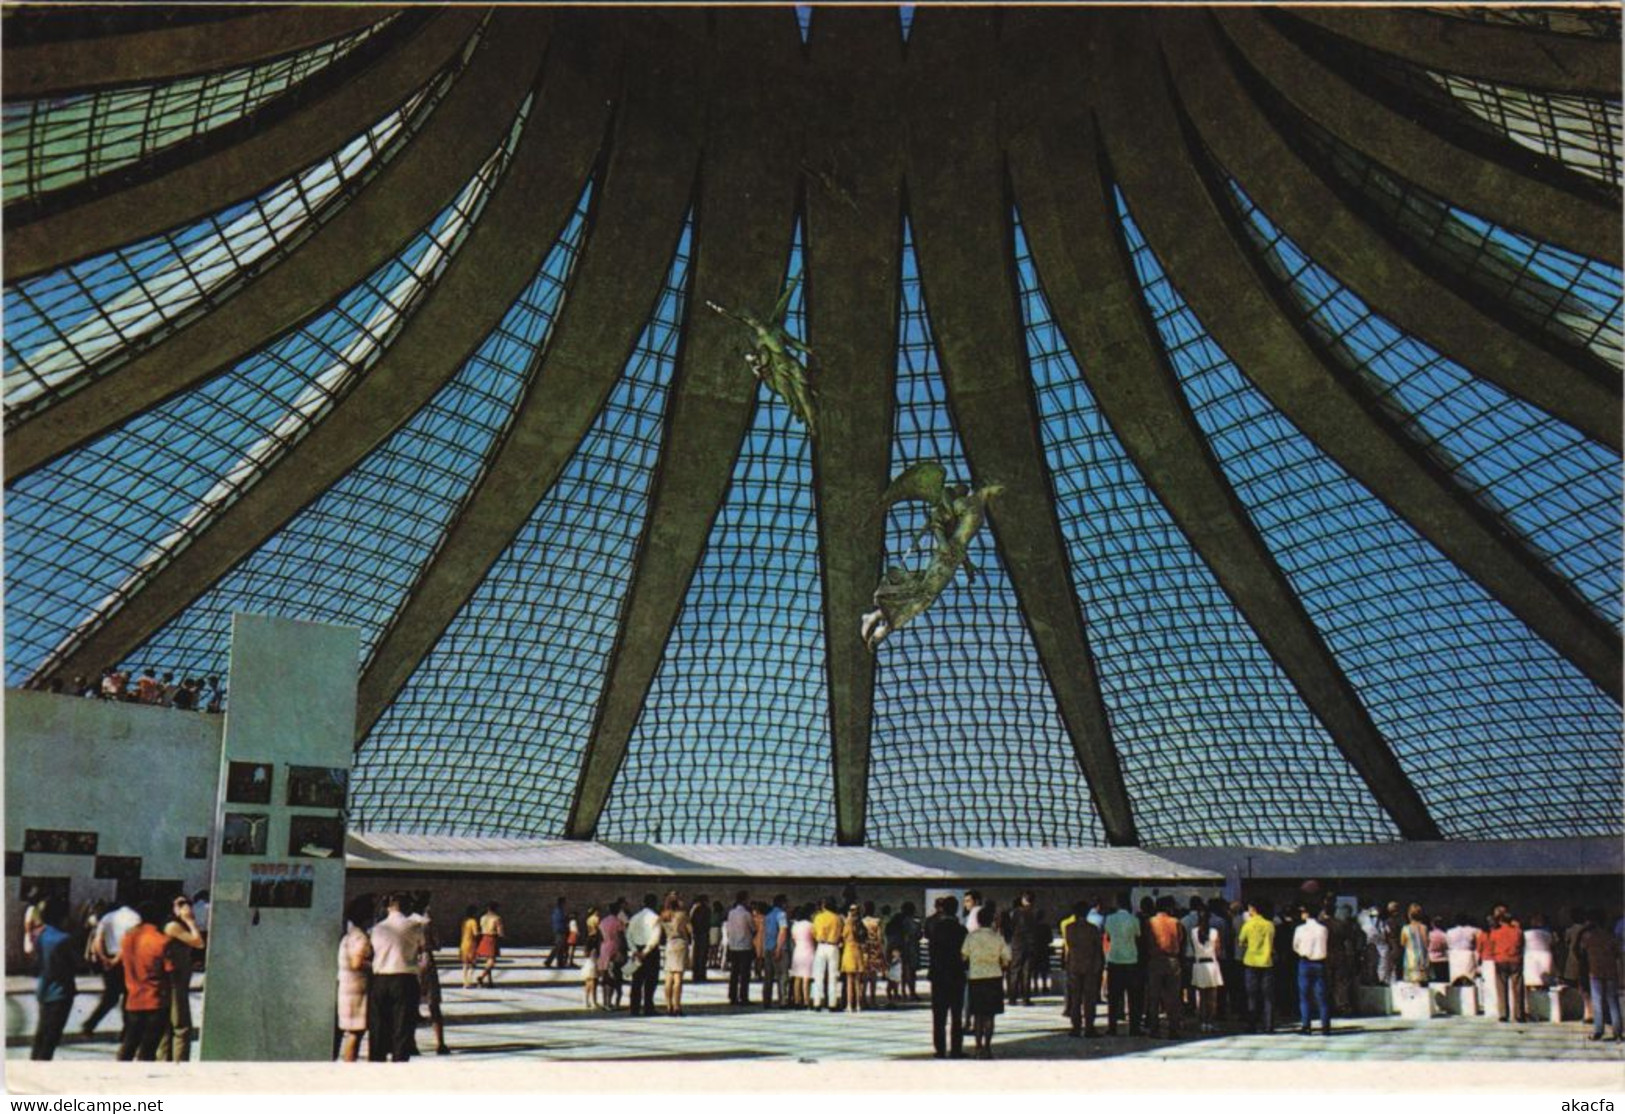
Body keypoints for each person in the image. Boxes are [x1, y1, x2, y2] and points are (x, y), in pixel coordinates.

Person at [368, 892, 424, 1062]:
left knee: (378, 1025)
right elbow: (424, 946)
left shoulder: (377, 928)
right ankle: (400, 1059)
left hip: (380, 978)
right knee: (403, 1025)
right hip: (405, 977)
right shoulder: (414, 925)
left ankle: (376, 1059)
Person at [117, 900, 170, 1061]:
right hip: (154, 1000)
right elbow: (170, 969)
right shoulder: (162, 941)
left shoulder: (128, 937)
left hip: (133, 999)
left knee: (129, 1045)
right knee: (148, 1050)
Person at [83, 901, 141, 1037]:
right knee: (128, 997)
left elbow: (98, 941)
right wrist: (117, 960)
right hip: (127, 959)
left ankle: (90, 1024)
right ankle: (127, 1031)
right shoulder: (135, 917)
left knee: (110, 997)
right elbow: (128, 942)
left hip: (109, 957)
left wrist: (105, 959)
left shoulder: (107, 917)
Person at [157, 895, 205, 1062]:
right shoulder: (173, 926)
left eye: (187, 903)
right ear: (173, 908)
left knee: (169, 1027)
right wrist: (190, 920)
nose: (185, 907)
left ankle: (164, 1061)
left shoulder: (178, 926)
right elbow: (198, 942)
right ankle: (179, 1065)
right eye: (180, 904)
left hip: (177, 979)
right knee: (181, 1027)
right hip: (174, 980)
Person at [963, 899, 1012, 1060]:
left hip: (976, 977)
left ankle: (977, 1046)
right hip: (994, 977)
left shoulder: (971, 937)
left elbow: (963, 955)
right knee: (990, 1015)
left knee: (977, 1014)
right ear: (991, 920)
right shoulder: (997, 937)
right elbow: (1007, 957)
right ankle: (988, 1047)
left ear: (977, 921)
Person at [31, 895, 76, 1061]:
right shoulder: (64, 939)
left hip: (44, 988)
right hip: (61, 992)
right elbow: (71, 965)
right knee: (51, 1038)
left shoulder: (40, 934)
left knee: (41, 1033)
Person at [925, 896, 967, 1057]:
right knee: (956, 1015)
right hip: (956, 975)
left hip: (939, 975)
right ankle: (956, 1049)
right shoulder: (961, 930)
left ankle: (940, 1049)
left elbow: (932, 952)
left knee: (939, 1015)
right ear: (956, 909)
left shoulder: (936, 929)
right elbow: (965, 955)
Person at [1143, 896, 1185, 1039]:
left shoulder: (1150, 922)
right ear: (1169, 907)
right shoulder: (1176, 922)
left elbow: (1147, 940)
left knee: (1154, 997)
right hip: (1173, 960)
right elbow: (1180, 939)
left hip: (1155, 960)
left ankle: (1154, 1028)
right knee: (1173, 997)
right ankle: (1173, 1029)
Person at [337, 896, 373, 1062]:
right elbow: (356, 962)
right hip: (357, 989)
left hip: (346, 986)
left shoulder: (347, 936)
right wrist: (374, 964)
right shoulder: (360, 937)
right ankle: (349, 1066)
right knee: (355, 1033)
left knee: (351, 1032)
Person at [412, 896, 449, 1055]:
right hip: (427, 962)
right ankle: (440, 1043)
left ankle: (411, 1042)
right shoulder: (428, 923)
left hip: (412, 962)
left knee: (411, 1005)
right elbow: (437, 944)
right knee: (433, 1004)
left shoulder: (408, 922)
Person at [1102, 892, 1143, 1036]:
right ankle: (1134, 1027)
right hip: (1131, 960)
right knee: (1133, 997)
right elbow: (1138, 936)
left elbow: (1107, 936)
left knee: (1113, 997)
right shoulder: (1134, 920)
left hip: (1115, 960)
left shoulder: (1109, 919)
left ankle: (1112, 1027)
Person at [1062, 900, 1104, 1038]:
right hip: (1090, 966)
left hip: (1074, 964)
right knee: (1089, 998)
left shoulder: (1069, 928)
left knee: (1075, 998)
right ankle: (1089, 1027)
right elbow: (1098, 948)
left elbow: (1069, 945)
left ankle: (1076, 1026)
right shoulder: (1093, 929)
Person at [1579, 910, 1622, 1042]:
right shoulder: (1611, 936)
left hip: (1595, 972)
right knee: (1613, 1002)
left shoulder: (1588, 937)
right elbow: (1617, 953)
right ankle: (1618, 1032)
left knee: (1597, 1002)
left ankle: (1598, 1031)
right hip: (1610, 972)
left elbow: (1581, 952)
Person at [1237, 898, 1276, 1033]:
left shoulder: (1248, 924)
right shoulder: (1269, 924)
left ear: (1253, 909)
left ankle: (1252, 1024)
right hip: (1266, 961)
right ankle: (1269, 1025)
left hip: (1251, 961)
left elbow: (1241, 941)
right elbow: (1272, 941)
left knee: (1252, 995)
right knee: (1268, 996)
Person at [1293, 903, 1331, 1036]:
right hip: (1320, 962)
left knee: (1304, 996)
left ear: (1307, 914)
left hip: (1305, 962)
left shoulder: (1300, 929)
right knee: (1322, 996)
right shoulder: (1323, 929)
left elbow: (1295, 946)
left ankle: (1306, 1025)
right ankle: (1325, 1026)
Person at [1481, 910, 1525, 1023]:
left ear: (1500, 920)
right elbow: (1522, 945)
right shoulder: (1518, 931)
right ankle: (1519, 1014)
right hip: (1515, 960)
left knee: (1501, 987)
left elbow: (1491, 946)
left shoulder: (1495, 932)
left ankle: (1503, 1014)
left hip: (1500, 960)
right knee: (1518, 987)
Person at [626, 894, 663, 1017]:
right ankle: (648, 1006)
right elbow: (655, 938)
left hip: (637, 949)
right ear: (655, 903)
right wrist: (646, 952)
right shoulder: (656, 918)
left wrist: (634, 950)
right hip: (650, 952)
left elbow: (628, 935)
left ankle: (634, 1008)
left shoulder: (634, 917)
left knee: (637, 980)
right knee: (651, 980)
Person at [1189, 901, 1224, 1034]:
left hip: (1198, 965)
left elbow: (1193, 948)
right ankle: (1210, 1022)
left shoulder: (1193, 932)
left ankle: (1202, 1022)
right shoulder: (1214, 932)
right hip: (1212, 965)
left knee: (1201, 997)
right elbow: (1219, 951)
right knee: (1212, 997)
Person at [810, 896, 843, 1010]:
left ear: (824, 905)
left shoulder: (818, 917)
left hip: (821, 946)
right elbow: (840, 933)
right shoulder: (837, 918)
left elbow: (813, 933)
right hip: (833, 947)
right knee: (833, 976)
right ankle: (832, 1003)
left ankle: (817, 1002)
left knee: (818, 975)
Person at [660, 894, 691, 1017]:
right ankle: (677, 1005)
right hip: (680, 943)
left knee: (668, 977)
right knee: (678, 978)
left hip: (669, 944)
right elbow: (690, 930)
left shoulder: (664, 916)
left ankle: (668, 1006)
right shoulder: (682, 915)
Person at [724, 892, 754, 1006]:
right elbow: (752, 927)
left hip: (733, 945)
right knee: (745, 973)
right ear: (745, 900)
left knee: (734, 973)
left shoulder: (731, 913)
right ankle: (743, 996)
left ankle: (732, 996)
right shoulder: (746, 914)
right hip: (745, 946)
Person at [760, 894, 789, 1008]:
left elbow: (764, 933)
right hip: (779, 948)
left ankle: (766, 1000)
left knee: (768, 976)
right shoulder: (781, 914)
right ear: (782, 903)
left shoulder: (768, 916)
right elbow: (782, 931)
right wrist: (779, 948)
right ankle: (783, 1000)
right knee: (782, 975)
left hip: (767, 948)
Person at [597, 900, 626, 1011]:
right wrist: (622, 951)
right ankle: (611, 1002)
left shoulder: (603, 922)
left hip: (604, 949)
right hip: (615, 949)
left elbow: (599, 937)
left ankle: (605, 1002)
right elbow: (621, 937)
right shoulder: (618, 922)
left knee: (605, 977)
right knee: (614, 977)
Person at [789, 904, 816, 1008]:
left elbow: (794, 938)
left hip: (798, 950)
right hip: (808, 950)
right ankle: (806, 1000)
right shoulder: (810, 925)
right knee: (806, 977)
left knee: (797, 977)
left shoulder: (795, 926)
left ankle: (797, 1000)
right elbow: (814, 937)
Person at [1447, 912, 1483, 987]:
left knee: (1456, 979)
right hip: (1467, 955)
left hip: (1455, 956)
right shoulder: (1475, 930)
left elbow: (1448, 944)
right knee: (1469, 979)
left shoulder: (1450, 932)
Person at [861, 902, 886, 1010]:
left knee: (864, 977)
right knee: (873, 977)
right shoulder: (877, 921)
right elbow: (880, 938)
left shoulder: (862, 922)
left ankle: (863, 999)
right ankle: (873, 999)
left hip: (864, 950)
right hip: (875, 950)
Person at [1400, 903, 1430, 987]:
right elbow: (1427, 942)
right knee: (1423, 983)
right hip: (1422, 958)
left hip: (1410, 958)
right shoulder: (1424, 927)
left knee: (1412, 983)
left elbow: (1402, 943)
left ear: (1409, 915)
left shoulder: (1405, 928)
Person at [475, 902, 504, 988]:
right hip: (492, 938)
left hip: (484, 937)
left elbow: (481, 927)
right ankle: (482, 977)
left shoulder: (482, 917)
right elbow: (500, 932)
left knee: (488, 960)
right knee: (492, 961)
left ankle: (490, 981)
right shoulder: (497, 918)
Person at [689, 894, 712, 983]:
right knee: (701, 955)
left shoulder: (694, 909)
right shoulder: (705, 909)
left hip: (698, 934)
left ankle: (697, 974)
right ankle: (701, 974)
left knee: (697, 955)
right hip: (702, 934)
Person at [458, 904, 480, 989]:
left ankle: (464, 981)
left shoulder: (464, 921)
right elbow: (475, 933)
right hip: (472, 944)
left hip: (463, 943)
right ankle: (469, 981)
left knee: (465, 964)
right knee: (472, 964)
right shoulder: (473, 922)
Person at [548, 896, 570, 969]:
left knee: (560, 947)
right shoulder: (559, 911)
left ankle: (560, 962)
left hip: (560, 930)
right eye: (564, 902)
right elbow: (561, 921)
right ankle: (548, 961)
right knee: (558, 947)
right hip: (560, 931)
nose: (565, 904)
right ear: (562, 903)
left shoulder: (558, 911)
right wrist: (567, 918)